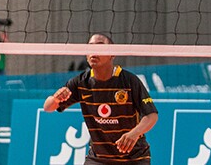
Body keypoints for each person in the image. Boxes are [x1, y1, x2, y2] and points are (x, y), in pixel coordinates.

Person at [43, 34, 158, 164]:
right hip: (99, 158)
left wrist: (134, 133)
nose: (94, 51)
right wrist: (56, 99)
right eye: (90, 47)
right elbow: (48, 107)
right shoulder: (81, 83)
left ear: (112, 54)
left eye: (100, 47)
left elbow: (151, 115)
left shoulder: (129, 81)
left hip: (134, 158)